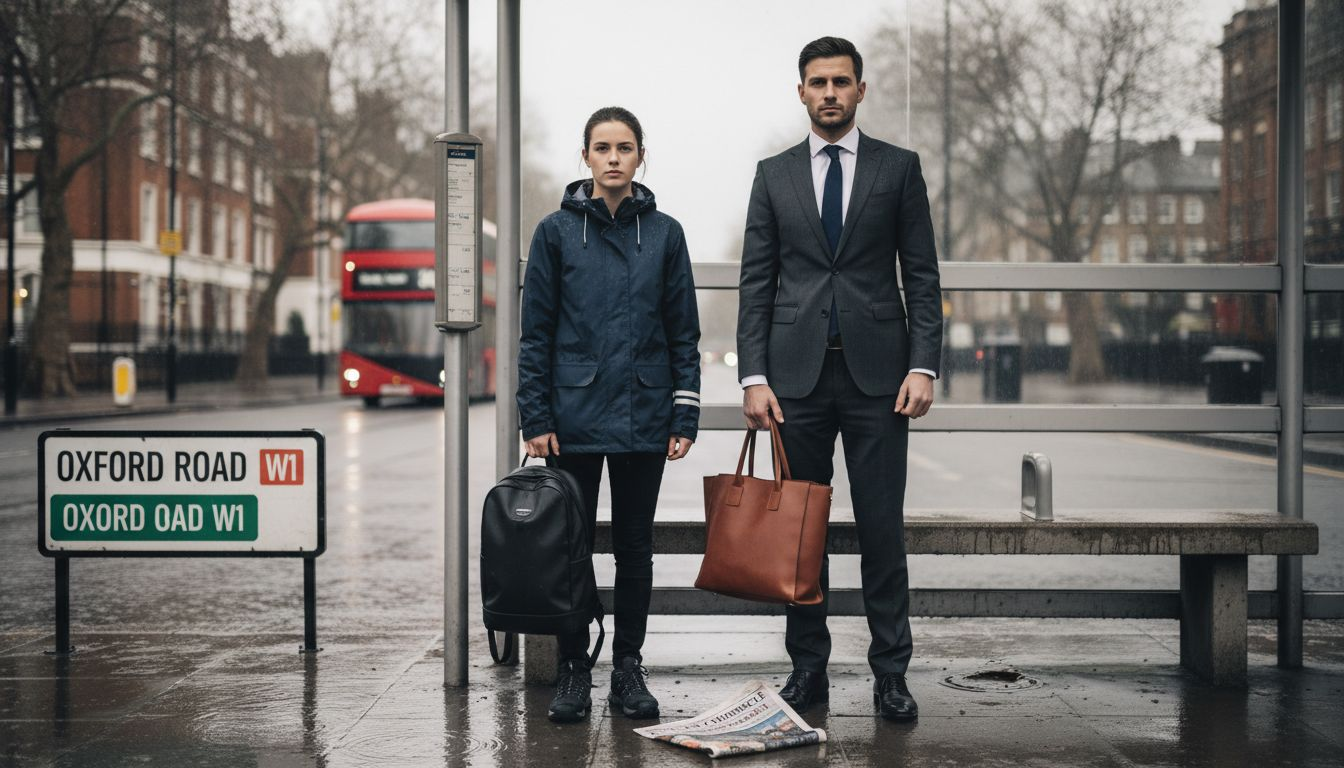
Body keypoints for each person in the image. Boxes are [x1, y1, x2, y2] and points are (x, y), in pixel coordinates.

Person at [736, 37, 942, 722]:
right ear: (801, 91)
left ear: (860, 90)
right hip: (793, 383)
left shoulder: (899, 169)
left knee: (883, 530)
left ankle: (891, 675)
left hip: (880, 380)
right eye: (817, 82)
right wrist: (754, 375)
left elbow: (921, 275)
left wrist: (923, 362)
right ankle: (808, 671)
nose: (829, 92)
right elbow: (756, 284)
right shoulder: (773, 176)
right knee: (801, 534)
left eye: (841, 82)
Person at [517, 106, 701, 724]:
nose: (614, 157)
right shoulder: (555, 233)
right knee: (569, 547)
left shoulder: (667, 234)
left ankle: (628, 668)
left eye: (625, 147)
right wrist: (535, 416)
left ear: (641, 156)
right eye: (603, 147)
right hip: (571, 417)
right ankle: (574, 669)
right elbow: (534, 334)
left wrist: (684, 416)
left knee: (634, 548)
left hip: (645, 416)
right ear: (586, 157)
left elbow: (684, 334)